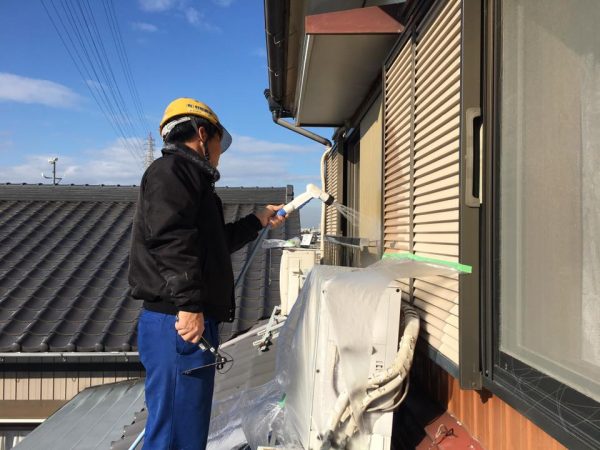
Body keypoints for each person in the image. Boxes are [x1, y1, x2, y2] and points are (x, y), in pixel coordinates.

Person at [128, 98, 285, 449]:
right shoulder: (171, 173)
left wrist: (258, 220)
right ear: (202, 134)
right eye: (218, 143)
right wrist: (189, 305)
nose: (219, 153)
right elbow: (171, 239)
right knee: (173, 435)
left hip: (183, 323)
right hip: (178, 324)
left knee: (187, 430)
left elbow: (211, 244)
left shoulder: (190, 180)